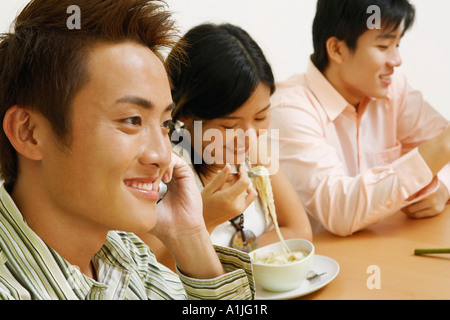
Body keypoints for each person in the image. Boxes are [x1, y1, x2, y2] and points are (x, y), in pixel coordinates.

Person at [0, 0, 254, 300]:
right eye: (132, 120)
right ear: (28, 133)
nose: (162, 156)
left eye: (165, 124)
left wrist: (190, 238)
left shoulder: (123, 251)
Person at [269, 0, 450, 236]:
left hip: (381, 249)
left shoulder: (394, 90)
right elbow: (339, 211)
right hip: (321, 263)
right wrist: (443, 146)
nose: (396, 60)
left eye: (397, 44)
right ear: (337, 49)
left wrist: (444, 185)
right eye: (384, 46)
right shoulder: (290, 108)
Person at [142, 23, 312, 269]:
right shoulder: (162, 171)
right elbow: (151, 274)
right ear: (186, 115)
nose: (249, 136)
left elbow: (298, 230)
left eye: (261, 117)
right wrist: (201, 221)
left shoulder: (254, 149)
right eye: (229, 126)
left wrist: (239, 255)